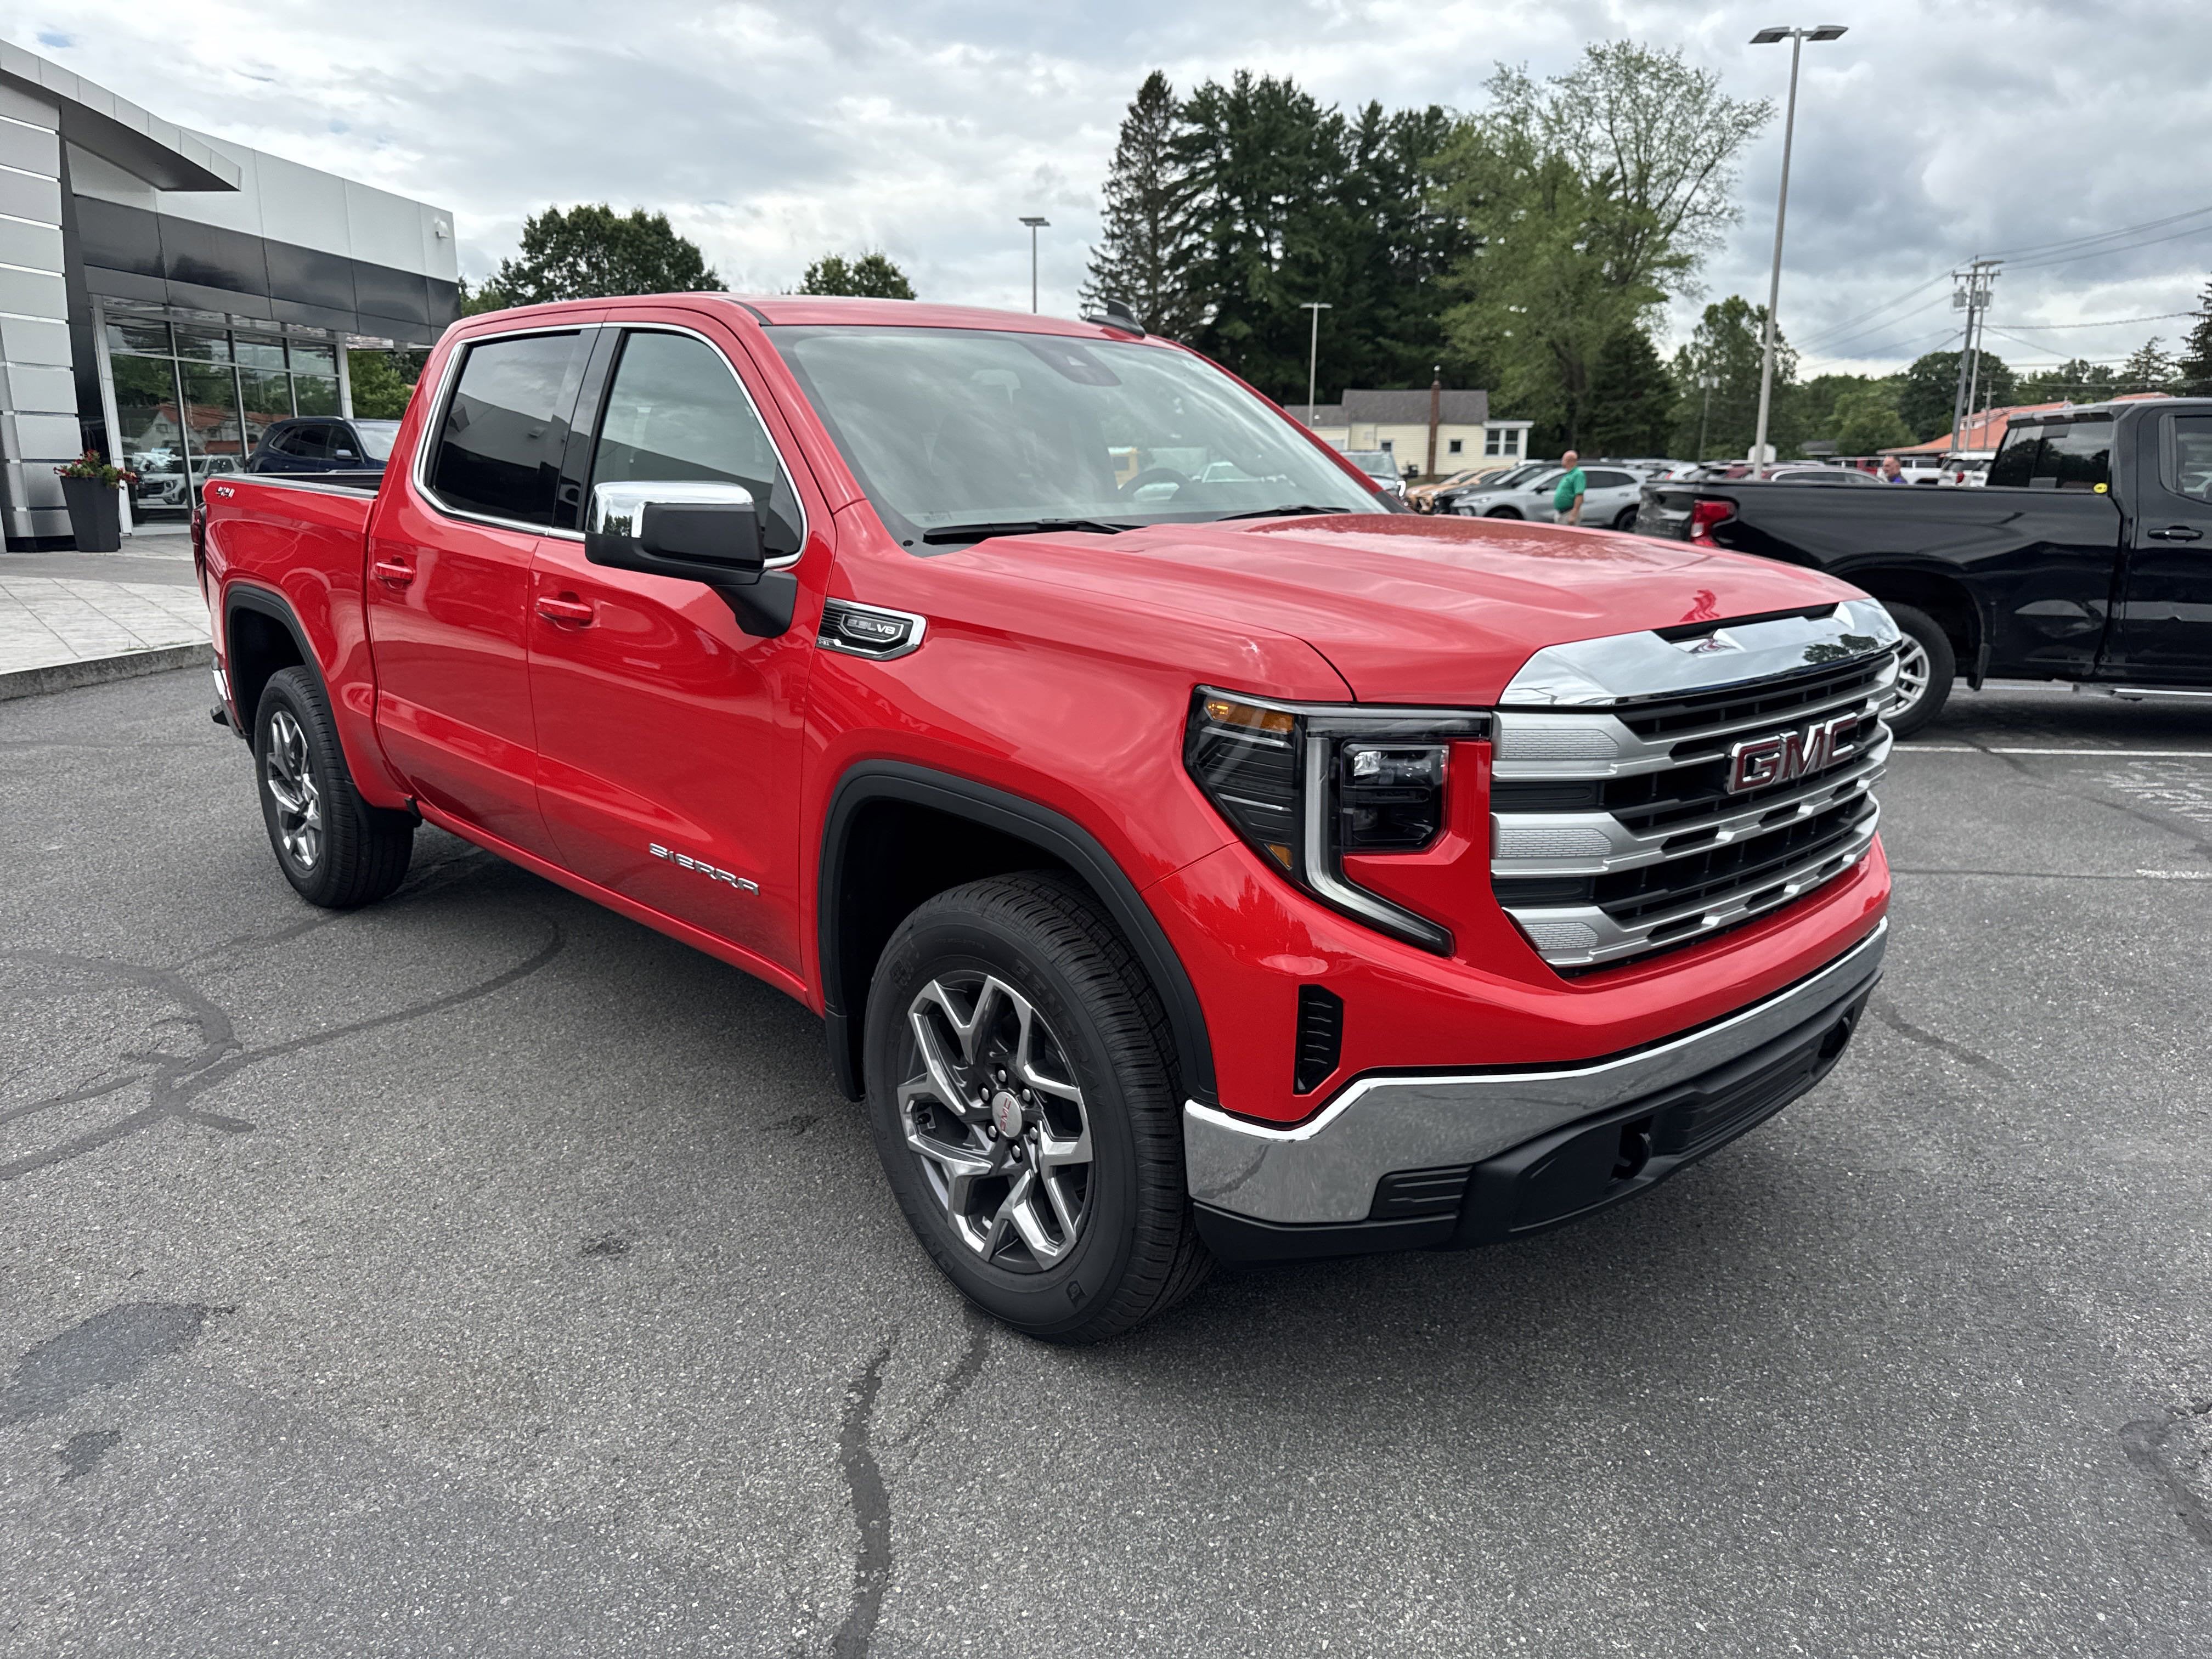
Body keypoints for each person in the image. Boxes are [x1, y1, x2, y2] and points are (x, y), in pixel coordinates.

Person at [1551, 450, 1588, 524]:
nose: (1562, 461)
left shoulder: (1578, 475)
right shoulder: (1569, 474)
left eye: (1563, 459)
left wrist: (1574, 515)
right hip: (1562, 513)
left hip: (1569, 512)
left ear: (1570, 461)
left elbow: (1579, 495)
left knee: (1567, 535)